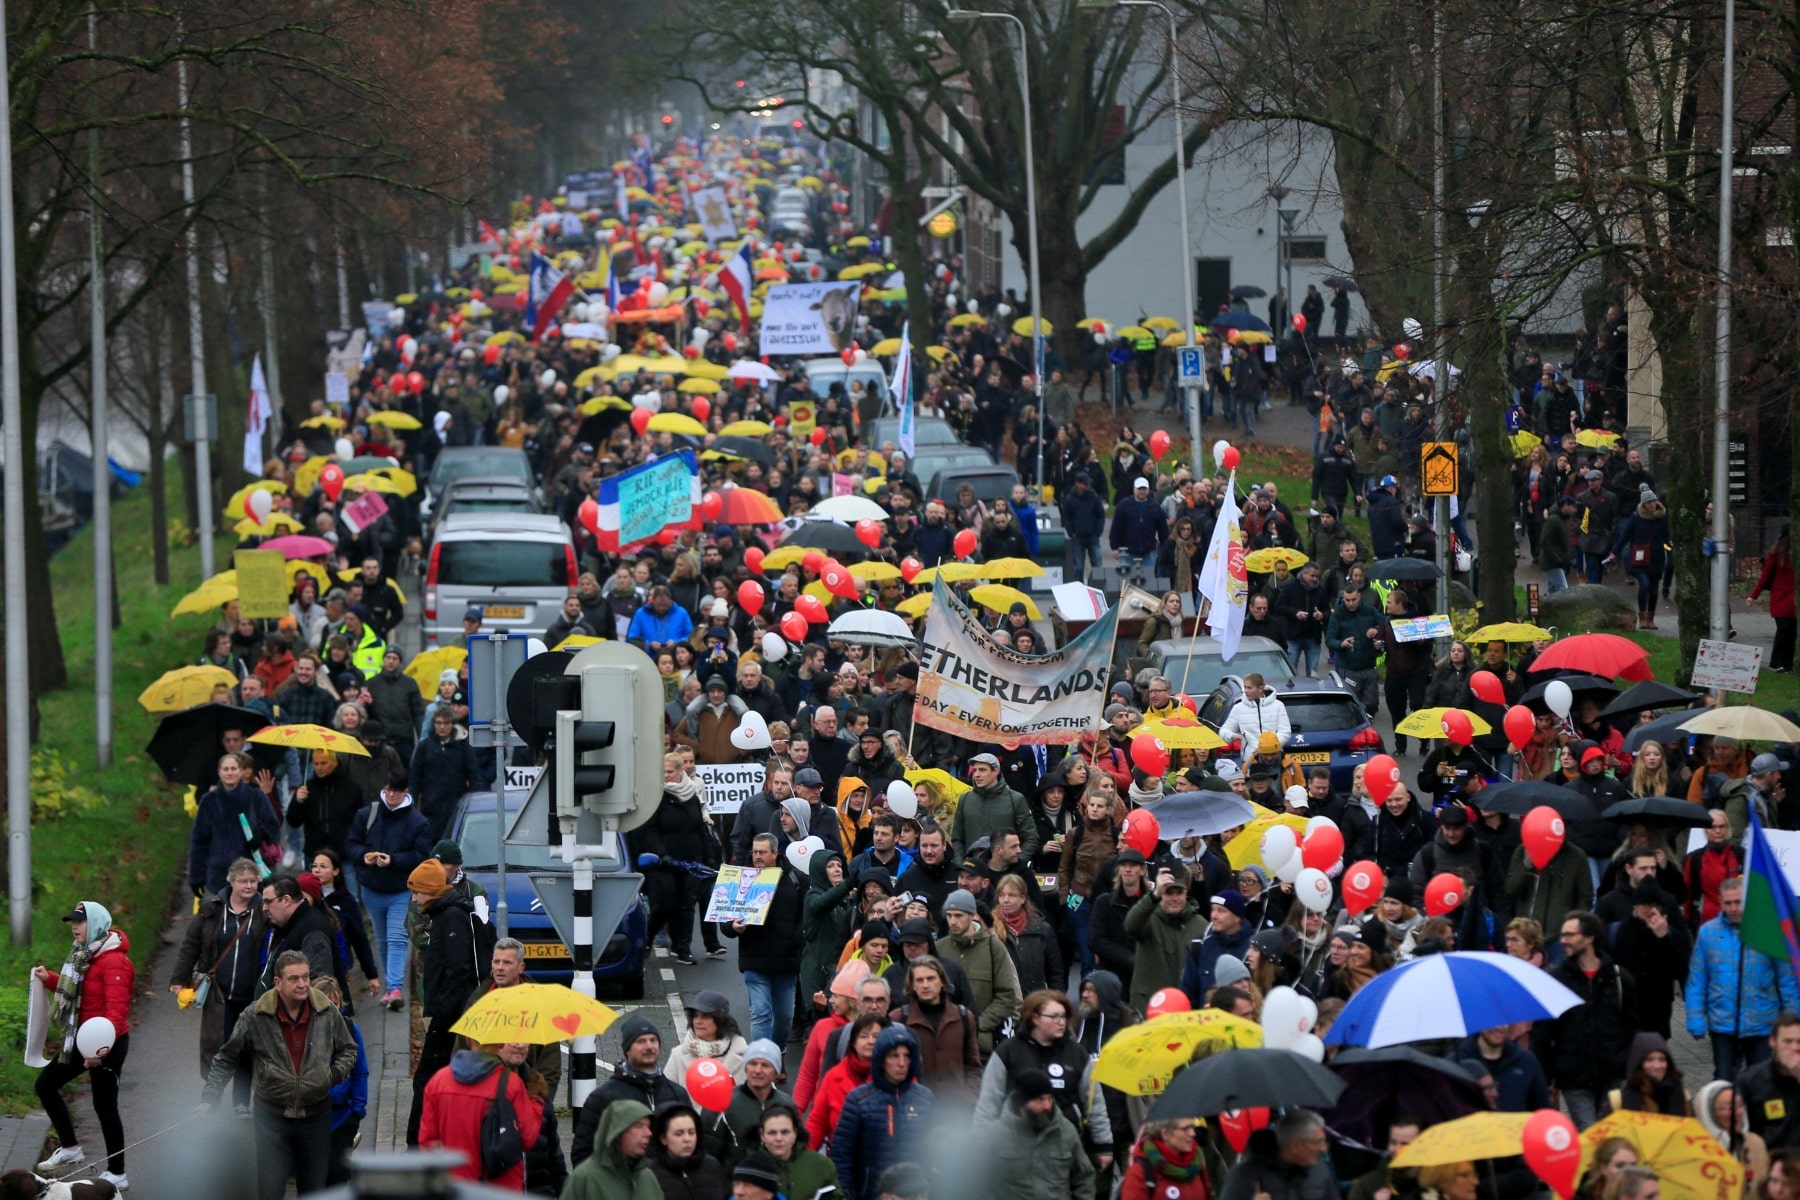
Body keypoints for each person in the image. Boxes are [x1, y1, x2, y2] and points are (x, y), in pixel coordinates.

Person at [199, 950, 358, 1200]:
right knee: (271, 1190)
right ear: (278, 983)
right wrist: (210, 1097)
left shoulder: (326, 1011)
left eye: (306, 977)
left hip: (316, 1115)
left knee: (314, 1190)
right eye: (294, 978)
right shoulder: (255, 1015)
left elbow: (348, 1049)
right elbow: (226, 1057)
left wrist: (331, 1075)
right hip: (271, 1117)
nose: (303, 984)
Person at [31, 902, 133, 1190]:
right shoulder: (85, 954)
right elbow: (79, 993)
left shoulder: (115, 962)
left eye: (80, 922)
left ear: (97, 925)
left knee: (105, 1106)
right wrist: (49, 978)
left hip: (107, 1044)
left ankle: (117, 1173)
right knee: (45, 1085)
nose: (75, 927)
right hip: (82, 1039)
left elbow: (116, 1012)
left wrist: (100, 1053)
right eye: (73, 922)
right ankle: (70, 1147)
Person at [406, 856, 497, 1147]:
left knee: (426, 1078)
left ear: (432, 890)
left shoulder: (451, 916)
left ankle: (417, 1144)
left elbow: (458, 969)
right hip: (451, 1013)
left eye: (417, 891)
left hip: (452, 1016)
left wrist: (443, 1013)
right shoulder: (445, 913)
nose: (414, 897)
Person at [170, 858, 267, 1111]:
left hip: (250, 993)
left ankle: (241, 1102)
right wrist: (179, 979)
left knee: (247, 1047)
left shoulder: (263, 910)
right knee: (216, 1044)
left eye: (253, 881)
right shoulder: (212, 908)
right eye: (243, 881)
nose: (249, 886)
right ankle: (210, 1099)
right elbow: (191, 944)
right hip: (219, 993)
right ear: (231, 881)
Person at [976, 990, 1113, 1166]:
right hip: (1016, 1146)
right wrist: (980, 1146)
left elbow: (1094, 1103)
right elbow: (989, 1102)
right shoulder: (1008, 1051)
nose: (1061, 1022)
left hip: (1064, 1147)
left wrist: (1104, 1145)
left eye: (1064, 1016)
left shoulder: (1077, 1054)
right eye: (1054, 1016)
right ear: (1035, 1018)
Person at [1687, 875, 1800, 1081]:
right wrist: (1695, 1018)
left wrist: (1792, 1019)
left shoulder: (1768, 931)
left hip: (1762, 1023)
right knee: (1723, 1079)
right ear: (1721, 903)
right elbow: (1698, 979)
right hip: (1723, 1024)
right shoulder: (1707, 933)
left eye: (1738, 902)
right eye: (1728, 903)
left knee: (1762, 1080)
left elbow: (1786, 980)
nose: (1734, 908)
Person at [1535, 910, 1639, 1129]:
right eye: (1562, 935)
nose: (1563, 940)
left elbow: (1632, 1027)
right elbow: (1543, 1033)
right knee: (1590, 1133)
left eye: (1570, 935)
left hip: (1612, 1074)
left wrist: (1626, 1065)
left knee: (1610, 1136)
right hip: (1574, 1078)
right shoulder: (1556, 980)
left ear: (1590, 937)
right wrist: (1548, 1079)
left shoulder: (1618, 978)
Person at [346, 769, 433, 1008]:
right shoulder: (368, 814)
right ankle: (389, 987)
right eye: (388, 790)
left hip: (401, 889)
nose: (391, 795)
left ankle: (395, 988)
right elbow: (352, 843)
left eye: (396, 791)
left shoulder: (418, 822)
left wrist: (393, 860)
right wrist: (363, 857)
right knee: (382, 939)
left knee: (397, 937)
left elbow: (421, 855)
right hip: (372, 888)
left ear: (405, 792)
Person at [418, 1038, 545, 1189]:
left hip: (452, 1185)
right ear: (500, 1044)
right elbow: (527, 1138)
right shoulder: (511, 1084)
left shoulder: (439, 1081)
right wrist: (536, 1101)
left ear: (469, 1041)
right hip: (500, 1188)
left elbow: (427, 1142)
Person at [828, 1026, 936, 1200]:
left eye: (907, 1056)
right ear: (881, 1059)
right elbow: (841, 1156)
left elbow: (936, 1155)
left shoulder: (925, 1099)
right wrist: (848, 1195)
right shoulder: (859, 1100)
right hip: (870, 1194)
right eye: (894, 1056)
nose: (902, 1063)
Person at [638, 752, 724, 965]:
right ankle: (647, 939)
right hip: (663, 862)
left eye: (669, 772)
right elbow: (650, 831)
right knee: (666, 903)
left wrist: (709, 859)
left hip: (690, 860)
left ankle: (682, 948)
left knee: (687, 905)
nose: (665, 776)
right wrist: (661, 854)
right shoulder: (655, 797)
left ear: (680, 772)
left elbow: (700, 829)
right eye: (663, 772)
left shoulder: (692, 796)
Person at [572, 1012, 691, 1167]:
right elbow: (583, 1153)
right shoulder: (604, 1098)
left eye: (653, 1040)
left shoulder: (677, 1094)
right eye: (641, 1041)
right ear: (627, 1050)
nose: (649, 1046)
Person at [723, 834, 807, 1046]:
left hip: (786, 962)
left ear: (775, 854)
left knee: (785, 1017)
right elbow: (724, 920)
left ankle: (777, 1053)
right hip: (755, 960)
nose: (757, 857)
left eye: (762, 852)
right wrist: (733, 926)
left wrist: (797, 939)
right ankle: (761, 1060)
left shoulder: (797, 880)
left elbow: (806, 917)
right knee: (760, 1013)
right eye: (754, 852)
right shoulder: (740, 879)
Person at [465, 938, 563, 1098]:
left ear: (521, 967)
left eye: (507, 963)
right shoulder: (478, 1001)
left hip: (526, 1096)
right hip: (483, 1095)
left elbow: (550, 1063)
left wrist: (539, 1103)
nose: (500, 968)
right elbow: (461, 1048)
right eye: (496, 962)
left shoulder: (538, 1005)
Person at [934, 888, 1023, 1055]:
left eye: (958, 915)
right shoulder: (939, 948)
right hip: (945, 1046)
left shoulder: (993, 947)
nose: (952, 921)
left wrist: (976, 1024)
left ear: (972, 915)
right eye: (949, 915)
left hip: (982, 1048)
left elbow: (1007, 996)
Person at [986, 1067, 1097, 1200]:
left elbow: (1084, 1178)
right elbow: (980, 1184)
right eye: (1040, 1100)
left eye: (1050, 1099)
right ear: (1022, 1102)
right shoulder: (995, 1135)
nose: (1047, 1106)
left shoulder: (1066, 1131)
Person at [892, 955, 982, 1106]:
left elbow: (973, 1066)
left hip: (956, 1109)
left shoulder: (964, 1017)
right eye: (919, 980)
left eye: (931, 978)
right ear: (912, 985)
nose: (925, 985)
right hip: (916, 1109)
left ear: (942, 982)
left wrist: (970, 1099)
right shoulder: (899, 1019)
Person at [190, 753, 281, 897]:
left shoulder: (256, 796)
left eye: (233, 768)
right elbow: (199, 840)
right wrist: (196, 876)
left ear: (240, 771)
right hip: (220, 875)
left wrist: (261, 834)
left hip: (252, 873)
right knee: (223, 917)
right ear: (219, 772)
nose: (230, 772)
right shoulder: (209, 801)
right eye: (225, 769)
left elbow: (273, 825)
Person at [1124, 865, 1209, 1012]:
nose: (1175, 898)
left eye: (1179, 893)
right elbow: (1130, 925)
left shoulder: (1201, 925)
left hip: (1185, 1010)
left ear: (1186, 893)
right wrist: (1154, 895)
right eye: (1169, 893)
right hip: (1149, 1007)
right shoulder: (1148, 919)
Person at [316, 977, 369, 1187]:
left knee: (338, 1176)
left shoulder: (350, 1030)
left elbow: (360, 1071)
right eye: (325, 1004)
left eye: (335, 1004)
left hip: (343, 1116)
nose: (332, 1010)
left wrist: (358, 1108)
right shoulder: (305, 1032)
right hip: (314, 1117)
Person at [1217, 1110, 1334, 1200]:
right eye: (1318, 1142)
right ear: (1296, 1145)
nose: (1324, 1148)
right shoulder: (1242, 1176)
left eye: (1325, 1141)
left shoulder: (1319, 1169)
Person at [563, 1099, 662, 1200]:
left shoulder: (648, 1178)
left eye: (649, 1127)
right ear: (618, 1131)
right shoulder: (584, 1178)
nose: (648, 1133)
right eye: (639, 1126)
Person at [951, 754, 1036, 862]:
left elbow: (1031, 838)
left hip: (1005, 871)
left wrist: (1016, 865)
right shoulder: (965, 799)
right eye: (975, 770)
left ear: (995, 771)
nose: (976, 775)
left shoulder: (1015, 799)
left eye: (982, 770)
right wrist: (961, 866)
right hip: (973, 870)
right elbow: (957, 839)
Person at [1180, 888, 1254, 1004]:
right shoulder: (1199, 945)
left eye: (1221, 911)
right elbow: (1187, 992)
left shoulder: (1253, 948)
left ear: (1237, 917)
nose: (1214, 916)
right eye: (1213, 910)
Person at [664, 989, 749, 1087]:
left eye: (705, 1016)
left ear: (720, 1020)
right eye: (695, 1016)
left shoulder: (744, 1055)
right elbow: (666, 1095)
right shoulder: (678, 1055)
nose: (698, 1021)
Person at [755, 1103, 840, 1200]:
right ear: (762, 1135)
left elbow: (838, 1196)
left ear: (795, 1133)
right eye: (772, 1133)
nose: (779, 1138)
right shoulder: (749, 1168)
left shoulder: (821, 1164)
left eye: (785, 1132)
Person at [648, 1100, 729, 1200]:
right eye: (679, 1133)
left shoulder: (712, 1166)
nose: (687, 1139)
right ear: (663, 1138)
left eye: (691, 1132)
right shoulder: (651, 1175)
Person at [1693, 1081, 1770, 1186]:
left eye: (1740, 1105)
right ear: (1709, 1114)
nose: (1738, 1113)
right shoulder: (1696, 1150)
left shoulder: (1754, 1143)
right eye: (1729, 1108)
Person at [1121, 1116, 1212, 1200]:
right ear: (1165, 1134)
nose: (1193, 1133)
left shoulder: (1196, 1162)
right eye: (1186, 1129)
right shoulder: (1140, 1172)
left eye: (1192, 1126)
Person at [1750, 526, 1797, 673]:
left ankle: (1788, 664)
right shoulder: (1775, 554)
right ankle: (1776, 662)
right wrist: (1754, 595)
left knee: (1792, 632)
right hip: (1780, 597)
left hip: (1794, 598)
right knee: (1783, 629)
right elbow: (1765, 576)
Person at [1609, 1031, 1690, 1115]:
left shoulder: (1682, 1097)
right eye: (1650, 1060)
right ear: (1639, 1063)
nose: (1657, 1066)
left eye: (1662, 1059)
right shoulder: (1617, 1100)